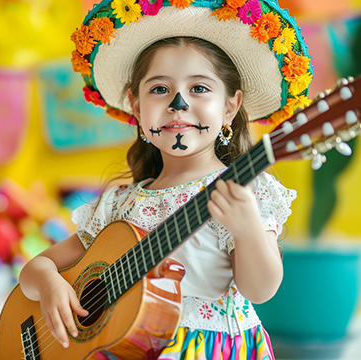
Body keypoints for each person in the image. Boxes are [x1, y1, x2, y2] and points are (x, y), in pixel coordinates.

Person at [19, 0, 310, 358]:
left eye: (199, 89)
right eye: (159, 89)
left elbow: (260, 290)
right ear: (137, 107)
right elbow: (35, 268)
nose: (178, 104)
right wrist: (49, 284)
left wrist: (248, 227)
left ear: (230, 108)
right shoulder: (119, 205)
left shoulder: (242, 192)